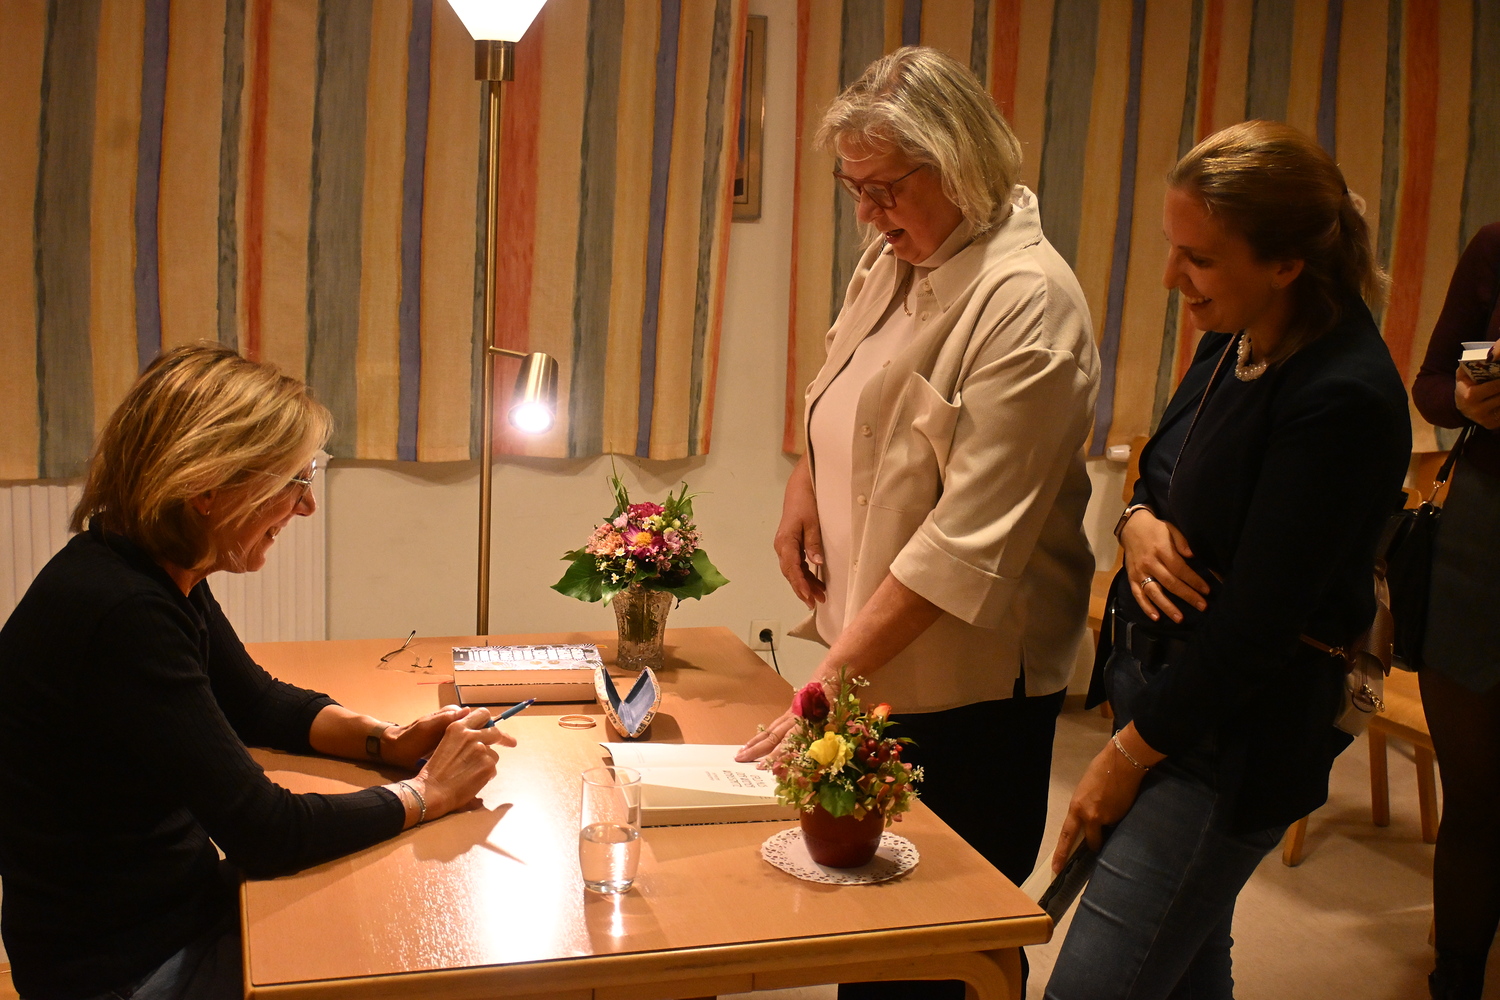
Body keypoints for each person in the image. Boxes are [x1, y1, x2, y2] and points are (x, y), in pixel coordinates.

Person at [735, 46, 1099, 999]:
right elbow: (846, 387)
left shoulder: (1027, 302)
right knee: (869, 938)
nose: (866, 212)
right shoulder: (897, 252)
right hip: (874, 659)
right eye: (853, 188)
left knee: (937, 947)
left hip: (968, 694)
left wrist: (825, 684)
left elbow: (963, 546)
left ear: (962, 165)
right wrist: (805, 481)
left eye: (886, 188)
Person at [0, 345, 514, 1000]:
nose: (307, 506)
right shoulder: (124, 609)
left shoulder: (146, 564)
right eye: (294, 479)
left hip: (165, 914)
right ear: (207, 487)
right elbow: (266, 831)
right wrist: (428, 794)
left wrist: (387, 741)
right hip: (126, 966)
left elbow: (256, 703)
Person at [1043, 121, 1411, 1000]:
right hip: (1168, 700)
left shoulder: (1344, 395)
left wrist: (1124, 758)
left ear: (1286, 263)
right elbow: (1160, 470)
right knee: (1184, 969)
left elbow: (1256, 630)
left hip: (1231, 735)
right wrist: (1135, 518)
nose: (1172, 278)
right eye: (1173, 249)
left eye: (1199, 259)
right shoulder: (1235, 336)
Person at [1412, 222, 1500, 1000]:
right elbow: (1433, 382)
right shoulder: (1497, 246)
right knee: (1475, 796)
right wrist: (1469, 399)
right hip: (1483, 543)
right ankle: (1456, 981)